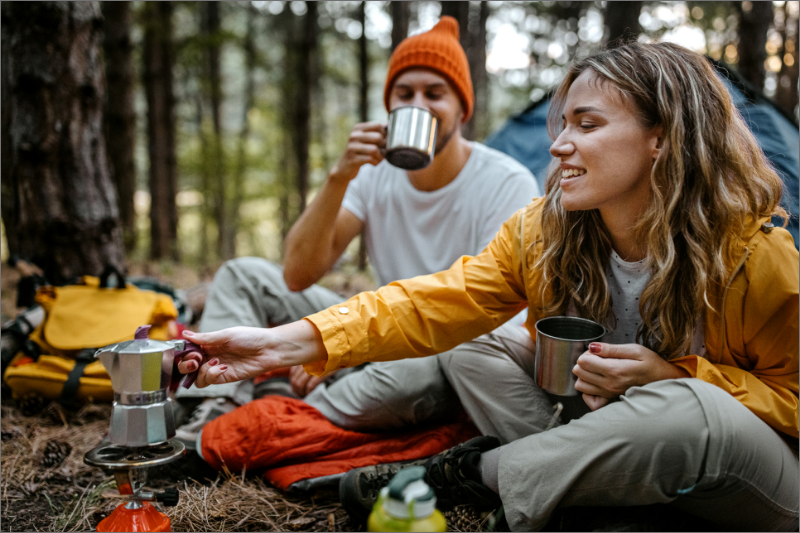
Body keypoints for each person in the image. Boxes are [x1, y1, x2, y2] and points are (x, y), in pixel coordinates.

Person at [176, 42, 799, 531]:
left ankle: (470, 474)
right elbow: (432, 302)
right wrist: (287, 344)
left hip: (746, 479)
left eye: (586, 125)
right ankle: (589, 503)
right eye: (563, 124)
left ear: (661, 137)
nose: (559, 145)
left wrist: (677, 376)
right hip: (600, 436)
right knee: (470, 343)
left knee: (691, 411)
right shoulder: (547, 233)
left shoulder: (753, 256)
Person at [173, 16, 541, 449]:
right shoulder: (373, 174)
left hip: (440, 347)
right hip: (372, 324)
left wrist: (340, 350)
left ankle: (279, 406)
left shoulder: (505, 182)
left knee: (418, 378)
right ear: (389, 107)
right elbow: (296, 276)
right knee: (242, 274)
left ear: (463, 108)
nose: (418, 105)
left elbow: (493, 320)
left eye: (435, 94)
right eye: (404, 95)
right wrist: (339, 177)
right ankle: (213, 407)